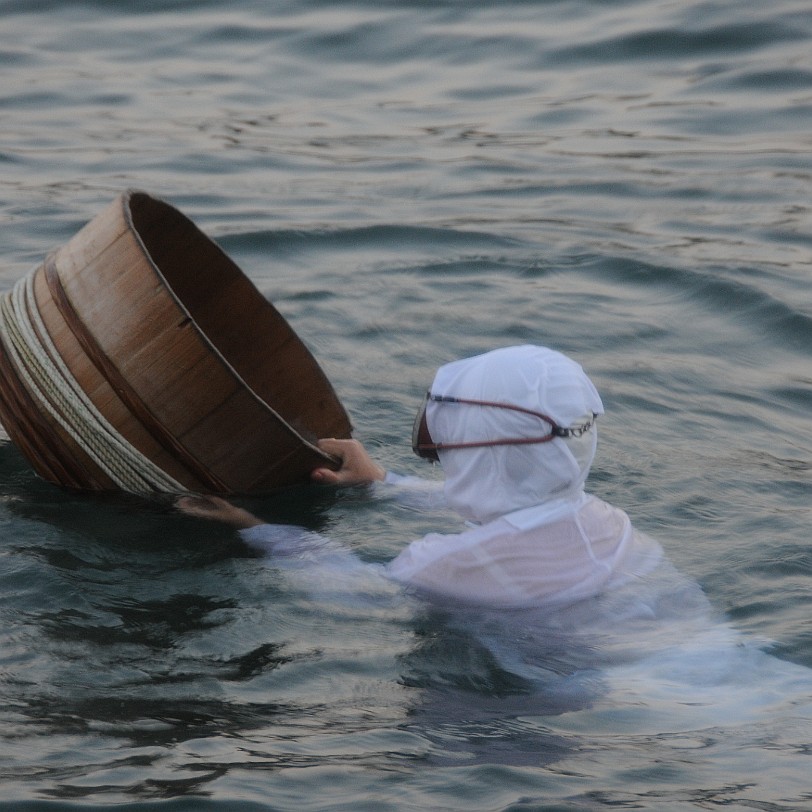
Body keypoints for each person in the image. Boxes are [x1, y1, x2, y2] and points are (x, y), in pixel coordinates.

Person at [177, 345, 667, 611]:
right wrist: (384, 482)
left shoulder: (448, 565)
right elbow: (516, 509)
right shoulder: (612, 525)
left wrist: (253, 526)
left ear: (483, 449)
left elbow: (355, 587)